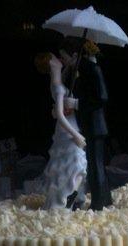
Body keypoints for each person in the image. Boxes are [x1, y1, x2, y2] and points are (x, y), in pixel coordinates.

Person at [60, 40, 112, 211]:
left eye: (65, 57)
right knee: (95, 164)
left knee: (96, 165)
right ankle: (104, 200)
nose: (64, 60)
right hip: (88, 124)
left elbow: (101, 98)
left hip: (95, 125)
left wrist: (76, 104)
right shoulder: (81, 71)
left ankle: (99, 204)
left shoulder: (93, 69)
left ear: (75, 55)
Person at [34, 52, 87, 210]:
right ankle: (67, 202)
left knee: (76, 166)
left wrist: (74, 60)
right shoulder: (58, 87)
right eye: (55, 57)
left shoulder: (57, 79)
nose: (59, 58)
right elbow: (59, 115)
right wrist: (75, 135)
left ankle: (74, 199)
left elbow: (70, 66)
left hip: (68, 129)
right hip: (67, 132)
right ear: (51, 63)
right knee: (76, 165)